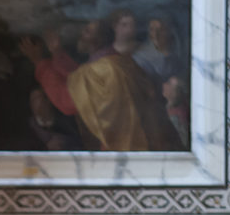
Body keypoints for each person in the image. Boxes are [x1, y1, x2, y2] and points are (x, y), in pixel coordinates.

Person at [66, 16, 182, 151]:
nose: (81, 34)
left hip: (125, 146)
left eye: (87, 31)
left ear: (98, 40)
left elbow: (68, 104)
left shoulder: (102, 69)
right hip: (151, 139)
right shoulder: (123, 62)